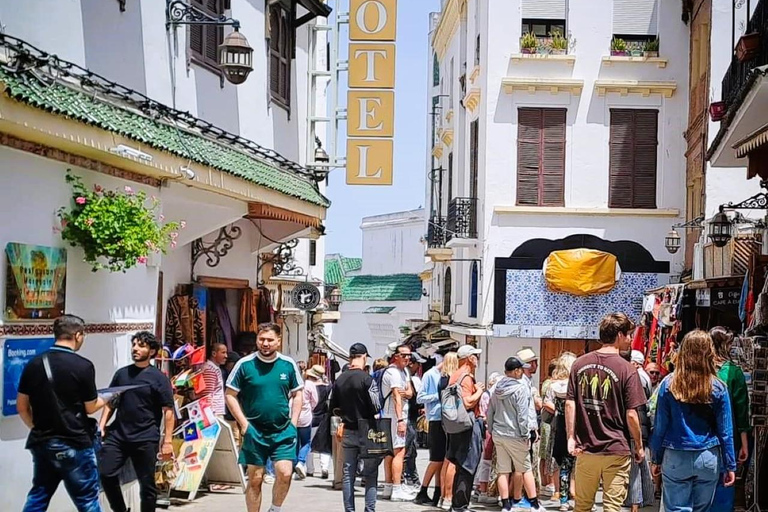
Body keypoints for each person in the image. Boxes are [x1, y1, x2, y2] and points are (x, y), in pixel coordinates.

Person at [18, 314, 107, 512]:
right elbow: (90, 407)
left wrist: (38, 427)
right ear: (77, 335)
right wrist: (109, 397)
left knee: (38, 496)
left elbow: (22, 407)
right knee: (87, 501)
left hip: (43, 443)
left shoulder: (33, 365)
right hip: (75, 444)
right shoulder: (83, 366)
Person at [566, 313, 646, 512]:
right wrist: (639, 445)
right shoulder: (627, 369)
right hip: (616, 449)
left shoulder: (579, 364)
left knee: (582, 506)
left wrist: (570, 437)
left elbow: (570, 403)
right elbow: (631, 415)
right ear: (619, 335)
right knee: (612, 507)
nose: (630, 339)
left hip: (586, 448)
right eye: (628, 335)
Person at [650, 329, 736, 512]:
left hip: (675, 455)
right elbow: (725, 431)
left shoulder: (668, 384)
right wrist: (730, 465)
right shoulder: (719, 387)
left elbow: (660, 426)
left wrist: (655, 458)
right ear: (709, 353)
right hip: (707, 457)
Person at [225, 323, 303, 512]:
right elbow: (229, 395)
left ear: (278, 341)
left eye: (269, 340)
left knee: (285, 473)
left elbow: (298, 394)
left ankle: (275, 509)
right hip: (255, 431)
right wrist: (244, 424)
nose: (265, 343)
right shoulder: (244, 364)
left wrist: (293, 423)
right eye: (261, 339)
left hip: (283, 430)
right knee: (255, 479)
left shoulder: (288, 364)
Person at [100, 331, 175, 512]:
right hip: (118, 436)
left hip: (146, 438)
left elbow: (169, 411)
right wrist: (101, 425)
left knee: (147, 486)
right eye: (134, 344)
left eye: (141, 345)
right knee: (105, 474)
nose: (135, 349)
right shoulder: (122, 374)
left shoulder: (159, 378)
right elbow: (110, 402)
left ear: (151, 351)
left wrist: (168, 441)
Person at [330, 343, 381, 512]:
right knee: (371, 473)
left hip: (348, 429)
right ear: (364, 356)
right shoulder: (367, 379)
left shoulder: (340, 379)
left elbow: (333, 407)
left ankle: (349, 510)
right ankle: (369, 509)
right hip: (368, 430)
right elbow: (376, 405)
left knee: (348, 474)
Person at [488, 357, 542, 512]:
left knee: (503, 470)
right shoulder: (521, 388)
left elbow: (490, 411)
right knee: (526, 469)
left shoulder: (497, 387)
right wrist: (525, 434)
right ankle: (534, 504)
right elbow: (522, 415)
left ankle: (506, 505)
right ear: (517, 371)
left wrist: (492, 429)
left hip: (499, 433)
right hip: (516, 435)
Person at [711, 327, 750, 512]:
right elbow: (741, 411)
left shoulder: (699, 371)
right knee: (725, 484)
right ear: (726, 345)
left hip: (699, 439)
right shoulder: (734, 372)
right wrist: (744, 444)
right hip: (728, 438)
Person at [446, 345, 486, 512]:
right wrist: (480, 392)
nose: (478, 358)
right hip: (468, 426)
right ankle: (460, 505)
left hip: (456, 425)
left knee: (460, 465)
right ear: (470, 358)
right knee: (468, 466)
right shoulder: (466, 377)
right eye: (476, 355)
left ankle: (457, 504)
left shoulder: (454, 376)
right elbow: (468, 402)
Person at [380, 344, 416, 501]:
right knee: (398, 451)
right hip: (394, 416)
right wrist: (400, 419)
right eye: (404, 355)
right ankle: (396, 487)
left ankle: (388, 487)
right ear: (395, 356)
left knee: (390, 452)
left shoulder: (405, 372)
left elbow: (409, 392)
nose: (407, 358)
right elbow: (396, 397)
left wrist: (407, 393)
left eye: (409, 355)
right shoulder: (394, 373)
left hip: (396, 415)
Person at [543, 352, 577, 512]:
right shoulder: (576, 385)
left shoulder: (553, 386)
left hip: (560, 427)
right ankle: (578, 497)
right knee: (579, 465)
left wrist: (559, 410)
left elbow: (546, 403)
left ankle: (563, 499)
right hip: (577, 428)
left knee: (563, 465)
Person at [623, 350, 654, 512]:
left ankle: (634, 502)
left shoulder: (635, 377)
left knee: (634, 466)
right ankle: (646, 497)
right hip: (642, 425)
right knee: (642, 464)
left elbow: (632, 410)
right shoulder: (643, 377)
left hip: (635, 426)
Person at [517, 347, 542, 495]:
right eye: (534, 362)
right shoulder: (523, 383)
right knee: (523, 465)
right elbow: (524, 409)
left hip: (528, 428)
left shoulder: (528, 382)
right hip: (523, 430)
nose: (536, 365)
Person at [475, 372, 503, 506]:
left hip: (491, 429)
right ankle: (484, 491)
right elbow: (486, 414)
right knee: (487, 460)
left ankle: (485, 490)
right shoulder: (488, 395)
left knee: (487, 461)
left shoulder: (488, 394)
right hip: (490, 430)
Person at [296, 365, 324, 479]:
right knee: (306, 442)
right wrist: (310, 408)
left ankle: (293, 465)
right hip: (305, 416)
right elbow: (315, 400)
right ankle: (301, 462)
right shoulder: (310, 385)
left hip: (293, 415)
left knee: (294, 442)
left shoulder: (296, 383)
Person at [404, 352, 426, 488]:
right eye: (418, 363)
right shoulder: (408, 379)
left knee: (411, 449)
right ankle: (405, 477)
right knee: (407, 449)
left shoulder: (412, 378)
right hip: (407, 418)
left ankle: (412, 477)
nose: (419, 366)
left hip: (411, 418)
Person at [308, 367, 332, 479]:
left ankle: (309, 469)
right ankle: (324, 468)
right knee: (324, 445)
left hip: (310, 418)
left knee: (308, 444)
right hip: (323, 418)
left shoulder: (307, 387)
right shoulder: (328, 388)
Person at [539, 360, 557, 501]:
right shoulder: (550, 384)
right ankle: (548, 482)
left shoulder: (546, 383)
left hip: (546, 422)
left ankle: (546, 483)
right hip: (549, 422)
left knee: (545, 454)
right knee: (547, 453)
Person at [222, 351, 242, 448]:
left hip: (232, 413)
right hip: (228, 413)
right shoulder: (225, 375)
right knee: (234, 439)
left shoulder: (230, 375)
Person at [201, 343, 228, 417]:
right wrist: (210, 414)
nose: (226, 356)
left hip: (215, 412)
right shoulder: (210, 369)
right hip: (213, 413)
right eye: (223, 352)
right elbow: (207, 394)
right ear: (214, 353)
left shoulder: (214, 368)